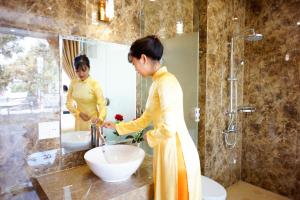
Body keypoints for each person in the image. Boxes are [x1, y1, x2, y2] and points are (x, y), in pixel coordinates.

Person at [103, 35, 201, 200]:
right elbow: (144, 119)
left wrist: (149, 136)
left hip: (177, 155)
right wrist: (117, 127)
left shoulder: (166, 83)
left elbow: (169, 128)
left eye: (134, 65)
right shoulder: (157, 83)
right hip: (167, 150)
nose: (135, 69)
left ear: (143, 59)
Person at [66, 54, 106, 131]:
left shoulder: (94, 83)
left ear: (89, 68)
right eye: (78, 71)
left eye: (84, 70)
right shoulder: (73, 83)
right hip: (79, 120)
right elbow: (68, 103)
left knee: (93, 141)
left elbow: (102, 105)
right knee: (79, 141)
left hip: (93, 121)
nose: (81, 74)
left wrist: (100, 118)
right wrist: (79, 114)